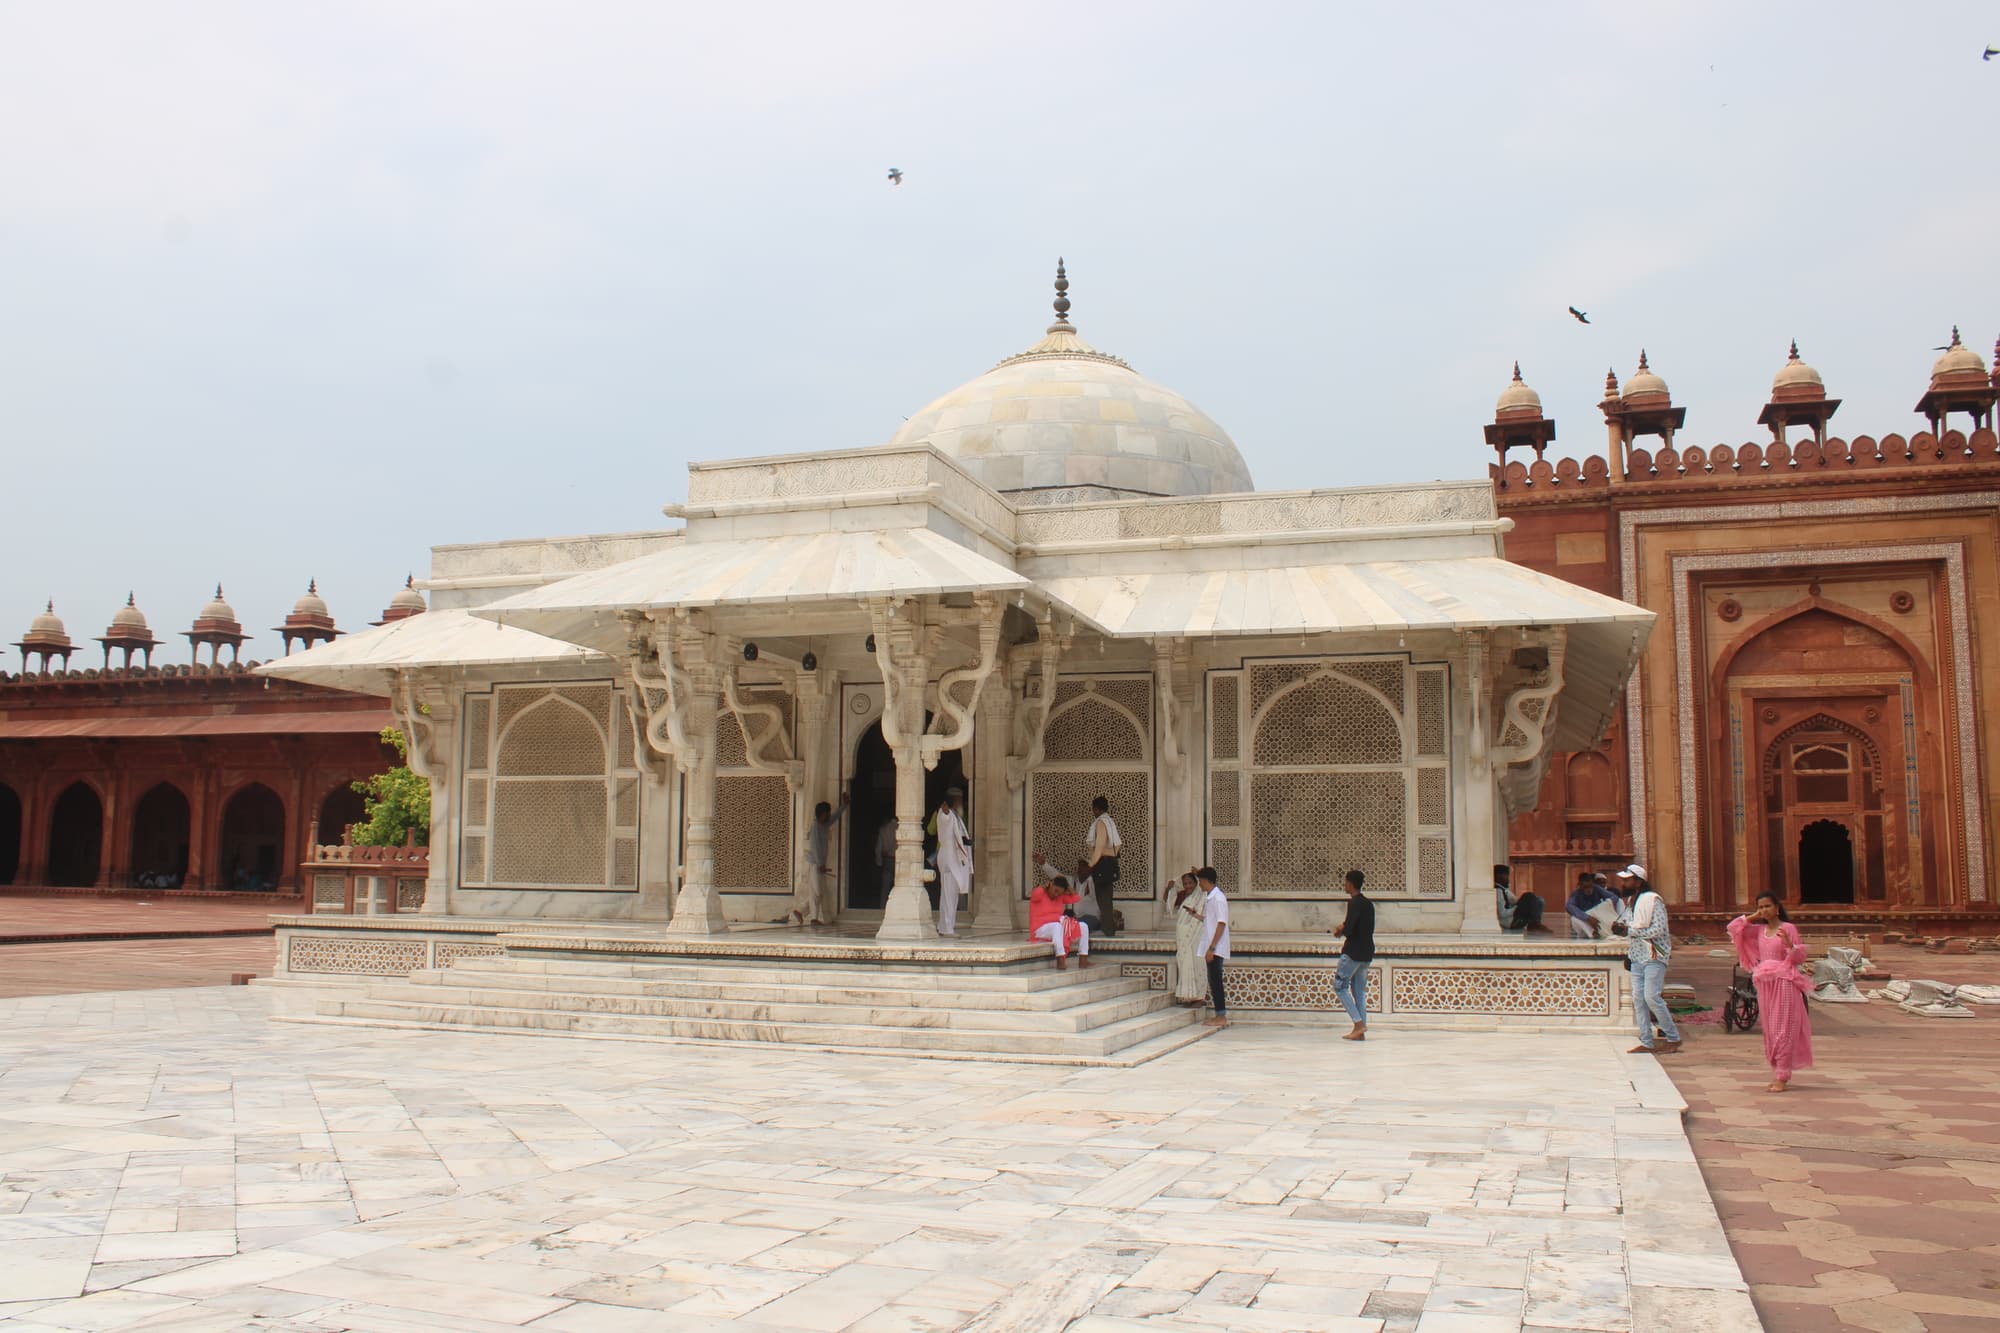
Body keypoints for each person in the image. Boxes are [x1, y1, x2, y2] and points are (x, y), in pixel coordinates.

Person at [1728, 892, 1814, 1093]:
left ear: (1777, 907)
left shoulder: (1788, 928)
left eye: (1768, 906)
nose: (1764, 910)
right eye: (1761, 907)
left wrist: (1789, 945)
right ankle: (1776, 1068)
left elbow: (1798, 957)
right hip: (1764, 982)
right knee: (1771, 1028)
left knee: (1783, 1027)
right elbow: (1733, 928)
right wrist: (1752, 917)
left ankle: (1782, 1075)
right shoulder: (1758, 931)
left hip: (1784, 981)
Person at [1612, 863, 1680, 1055]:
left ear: (1638, 882)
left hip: (1654, 954)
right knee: (1638, 999)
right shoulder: (1632, 902)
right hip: (1637, 956)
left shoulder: (1653, 900)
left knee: (1651, 996)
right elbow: (1631, 927)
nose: (1624, 884)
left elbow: (1658, 930)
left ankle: (1673, 1037)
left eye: (1627, 880)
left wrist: (1629, 931)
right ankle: (1647, 1041)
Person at [1332, 868, 1375, 1041]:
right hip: (1366, 953)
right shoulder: (1368, 904)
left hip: (1353, 953)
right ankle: (1360, 1031)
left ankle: (1358, 1024)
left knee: (1339, 986)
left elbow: (1350, 929)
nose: (1345, 885)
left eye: (1345, 882)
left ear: (1350, 883)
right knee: (1358, 992)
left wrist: (1340, 930)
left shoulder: (1354, 903)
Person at [793, 792, 848, 926]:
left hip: (820, 865)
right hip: (815, 865)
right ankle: (813, 918)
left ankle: (801, 912)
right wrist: (820, 864)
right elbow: (815, 847)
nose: (829, 815)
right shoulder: (816, 827)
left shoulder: (824, 825)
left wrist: (844, 806)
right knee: (817, 891)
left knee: (817, 891)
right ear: (822, 814)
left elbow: (835, 817)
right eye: (827, 813)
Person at [1027, 869, 1089, 969]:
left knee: (1084, 926)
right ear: (1050, 884)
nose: (1056, 894)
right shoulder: (1040, 892)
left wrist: (1067, 885)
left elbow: (1076, 898)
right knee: (1057, 926)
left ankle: (1083, 959)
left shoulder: (1060, 897)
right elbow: (1035, 894)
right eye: (1055, 890)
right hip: (1040, 929)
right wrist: (1046, 885)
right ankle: (1060, 958)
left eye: (1059, 893)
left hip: (1057, 929)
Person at [932, 787, 971, 936]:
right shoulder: (945, 813)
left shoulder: (957, 816)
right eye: (958, 800)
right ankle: (946, 928)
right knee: (948, 894)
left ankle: (948, 926)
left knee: (952, 894)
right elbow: (945, 818)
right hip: (948, 858)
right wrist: (946, 810)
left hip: (955, 858)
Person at [1197, 866, 1231, 1028]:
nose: (1200, 885)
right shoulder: (1211, 897)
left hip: (1215, 947)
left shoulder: (1218, 898)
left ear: (1205, 881)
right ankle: (1219, 1015)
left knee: (1216, 981)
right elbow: (1210, 921)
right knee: (1213, 980)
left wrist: (1212, 948)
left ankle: (1221, 1016)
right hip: (1212, 946)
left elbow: (1221, 923)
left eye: (1200, 882)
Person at [1168, 870, 1207, 1006]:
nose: (1188, 886)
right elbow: (1169, 902)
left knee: (1197, 965)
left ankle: (1200, 997)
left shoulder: (1201, 895)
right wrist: (1170, 887)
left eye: (1190, 882)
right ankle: (1188, 996)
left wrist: (1199, 872)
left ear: (1196, 882)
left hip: (1196, 935)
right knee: (1185, 965)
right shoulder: (1183, 897)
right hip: (1183, 936)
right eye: (1185, 883)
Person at [1494, 864, 1551, 934]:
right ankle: (1534, 924)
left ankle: (1535, 923)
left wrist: (1526, 904)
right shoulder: (1498, 891)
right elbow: (1502, 914)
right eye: (1506, 875)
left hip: (1514, 918)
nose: (1508, 878)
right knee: (1528, 896)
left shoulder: (1505, 889)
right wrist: (1517, 908)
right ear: (1499, 876)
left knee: (1538, 900)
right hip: (1509, 922)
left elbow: (1514, 901)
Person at [1083, 796, 1122, 899]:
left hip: (1102, 865)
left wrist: (1090, 866)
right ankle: (1107, 915)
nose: (1093, 812)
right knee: (1106, 900)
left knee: (1103, 901)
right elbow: (1116, 846)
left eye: (1093, 809)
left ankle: (1107, 916)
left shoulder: (1101, 822)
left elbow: (1099, 847)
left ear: (1096, 809)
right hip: (1109, 863)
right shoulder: (1109, 821)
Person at [1565, 871, 1618, 940]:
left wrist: (1607, 904)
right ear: (1580, 885)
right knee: (1574, 919)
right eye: (1585, 887)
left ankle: (1619, 923)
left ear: (1592, 884)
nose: (1588, 890)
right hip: (1585, 923)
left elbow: (1614, 897)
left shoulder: (1597, 889)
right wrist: (1588, 918)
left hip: (1598, 919)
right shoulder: (1576, 894)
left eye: (1590, 887)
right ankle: (1593, 934)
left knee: (1619, 901)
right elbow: (1569, 906)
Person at [872, 815, 896, 898]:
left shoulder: (883, 830)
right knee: (901, 887)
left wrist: (879, 862)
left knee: (885, 888)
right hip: (900, 860)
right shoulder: (901, 827)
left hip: (888, 860)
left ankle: (882, 908)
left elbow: (878, 848)